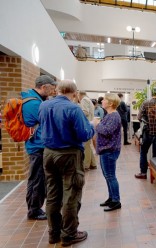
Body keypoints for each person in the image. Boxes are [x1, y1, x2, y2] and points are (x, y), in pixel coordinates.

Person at [39, 80, 95, 246]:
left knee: (52, 194)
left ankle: (53, 232)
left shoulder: (44, 106)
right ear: (75, 93)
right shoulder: (73, 108)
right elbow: (84, 134)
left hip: (48, 153)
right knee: (70, 194)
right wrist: (92, 126)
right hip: (69, 154)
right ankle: (69, 234)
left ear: (57, 90)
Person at [21, 75, 57, 221]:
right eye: (52, 87)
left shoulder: (35, 99)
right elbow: (49, 121)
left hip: (37, 145)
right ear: (43, 87)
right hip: (37, 147)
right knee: (37, 179)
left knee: (38, 178)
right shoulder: (34, 103)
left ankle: (35, 207)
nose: (53, 90)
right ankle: (34, 210)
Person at [94, 93, 122, 211]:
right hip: (106, 149)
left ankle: (116, 200)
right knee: (108, 176)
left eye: (104, 100)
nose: (102, 101)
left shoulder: (114, 116)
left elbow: (107, 131)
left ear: (110, 103)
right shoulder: (109, 114)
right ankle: (111, 198)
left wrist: (97, 124)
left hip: (109, 150)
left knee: (110, 176)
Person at [135, 88, 156, 179]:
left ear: (151, 93)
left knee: (143, 152)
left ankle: (143, 173)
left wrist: (147, 122)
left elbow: (139, 117)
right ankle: (155, 175)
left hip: (148, 132)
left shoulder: (145, 103)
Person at [79, 91, 97, 170]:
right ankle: (93, 164)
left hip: (86, 125)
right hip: (89, 124)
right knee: (88, 145)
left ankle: (86, 165)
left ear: (79, 94)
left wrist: (77, 112)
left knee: (86, 146)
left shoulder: (84, 100)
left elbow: (85, 112)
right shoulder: (88, 100)